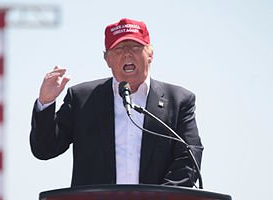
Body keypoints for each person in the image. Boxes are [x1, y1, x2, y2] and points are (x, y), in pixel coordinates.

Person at [30, 18, 203, 187]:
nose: (127, 53)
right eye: (119, 48)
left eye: (135, 47)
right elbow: (45, 149)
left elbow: (189, 157)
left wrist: (160, 196)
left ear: (150, 54)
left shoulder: (178, 101)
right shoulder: (82, 98)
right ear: (107, 59)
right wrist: (46, 102)